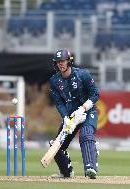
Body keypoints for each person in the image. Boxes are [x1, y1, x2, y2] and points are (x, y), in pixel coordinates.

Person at [49, 49, 99, 179]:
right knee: (57, 144)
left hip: (87, 112)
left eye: (63, 61)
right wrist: (66, 117)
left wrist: (83, 108)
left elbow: (95, 94)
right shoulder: (54, 81)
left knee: (86, 134)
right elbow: (59, 103)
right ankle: (66, 172)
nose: (60, 64)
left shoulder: (82, 75)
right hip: (71, 116)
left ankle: (90, 167)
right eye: (58, 62)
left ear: (69, 61)